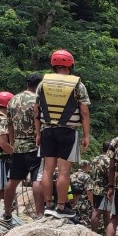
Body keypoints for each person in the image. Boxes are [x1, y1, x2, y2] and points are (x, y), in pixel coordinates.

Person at [35, 49, 91, 218]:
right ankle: (61, 207)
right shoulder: (77, 84)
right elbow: (85, 112)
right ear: (70, 64)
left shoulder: (42, 83)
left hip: (47, 130)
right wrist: (86, 134)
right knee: (64, 171)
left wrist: (38, 133)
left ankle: (48, 205)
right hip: (68, 131)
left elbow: (36, 110)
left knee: (47, 170)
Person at [3, 74, 44, 222]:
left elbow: (9, 123)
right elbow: (38, 119)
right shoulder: (37, 100)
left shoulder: (12, 100)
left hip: (18, 145)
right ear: (39, 85)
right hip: (35, 145)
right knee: (37, 180)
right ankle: (40, 215)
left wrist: (13, 142)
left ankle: (7, 212)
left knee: (13, 180)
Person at [89, 140, 111, 233]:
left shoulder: (95, 159)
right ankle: (101, 233)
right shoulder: (109, 160)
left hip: (95, 188)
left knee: (102, 212)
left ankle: (97, 232)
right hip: (105, 189)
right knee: (98, 212)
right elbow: (110, 175)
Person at [70, 161, 93, 227]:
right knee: (85, 223)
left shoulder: (72, 175)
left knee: (73, 221)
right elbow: (89, 191)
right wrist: (92, 203)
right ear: (87, 166)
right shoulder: (87, 176)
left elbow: (68, 189)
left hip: (72, 202)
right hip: (83, 203)